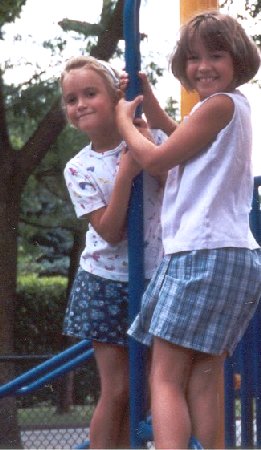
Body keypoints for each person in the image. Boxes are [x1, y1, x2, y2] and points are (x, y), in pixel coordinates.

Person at [116, 11, 261, 449]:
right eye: (194, 58)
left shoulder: (219, 105)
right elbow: (184, 144)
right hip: (233, 255)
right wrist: (155, 113)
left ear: (237, 59)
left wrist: (125, 123)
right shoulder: (231, 109)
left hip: (201, 253)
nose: (203, 66)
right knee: (204, 375)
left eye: (215, 55)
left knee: (165, 377)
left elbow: (159, 160)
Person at [60, 56, 166, 449]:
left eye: (90, 93)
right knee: (119, 389)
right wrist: (125, 174)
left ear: (115, 97)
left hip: (155, 277)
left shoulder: (145, 138)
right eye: (71, 99)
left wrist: (143, 140)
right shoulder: (78, 168)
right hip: (104, 282)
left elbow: (171, 180)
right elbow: (109, 230)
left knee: (149, 389)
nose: (80, 104)